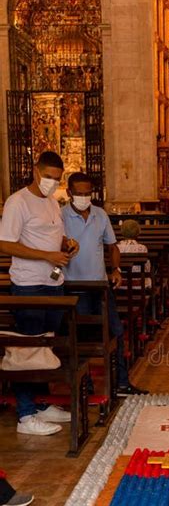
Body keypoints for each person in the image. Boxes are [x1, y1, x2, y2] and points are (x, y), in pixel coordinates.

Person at [0, 150, 79, 436]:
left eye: (57, 179)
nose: (51, 182)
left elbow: (50, 235)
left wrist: (65, 243)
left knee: (45, 347)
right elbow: (6, 244)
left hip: (53, 283)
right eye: (48, 177)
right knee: (28, 350)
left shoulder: (51, 203)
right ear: (36, 171)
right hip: (29, 284)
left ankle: (42, 403)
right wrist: (47, 255)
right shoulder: (17, 202)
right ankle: (25, 414)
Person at [62, 172, 148, 396]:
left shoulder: (100, 215)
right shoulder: (59, 216)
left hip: (100, 286)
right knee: (80, 336)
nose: (84, 197)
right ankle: (84, 383)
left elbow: (113, 246)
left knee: (117, 332)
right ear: (70, 193)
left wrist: (116, 269)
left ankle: (121, 381)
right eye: (79, 193)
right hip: (74, 287)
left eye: (87, 193)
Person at [117, 219, 152, 289]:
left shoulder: (116, 248)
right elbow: (147, 268)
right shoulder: (142, 248)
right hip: (139, 284)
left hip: (120, 283)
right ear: (137, 232)